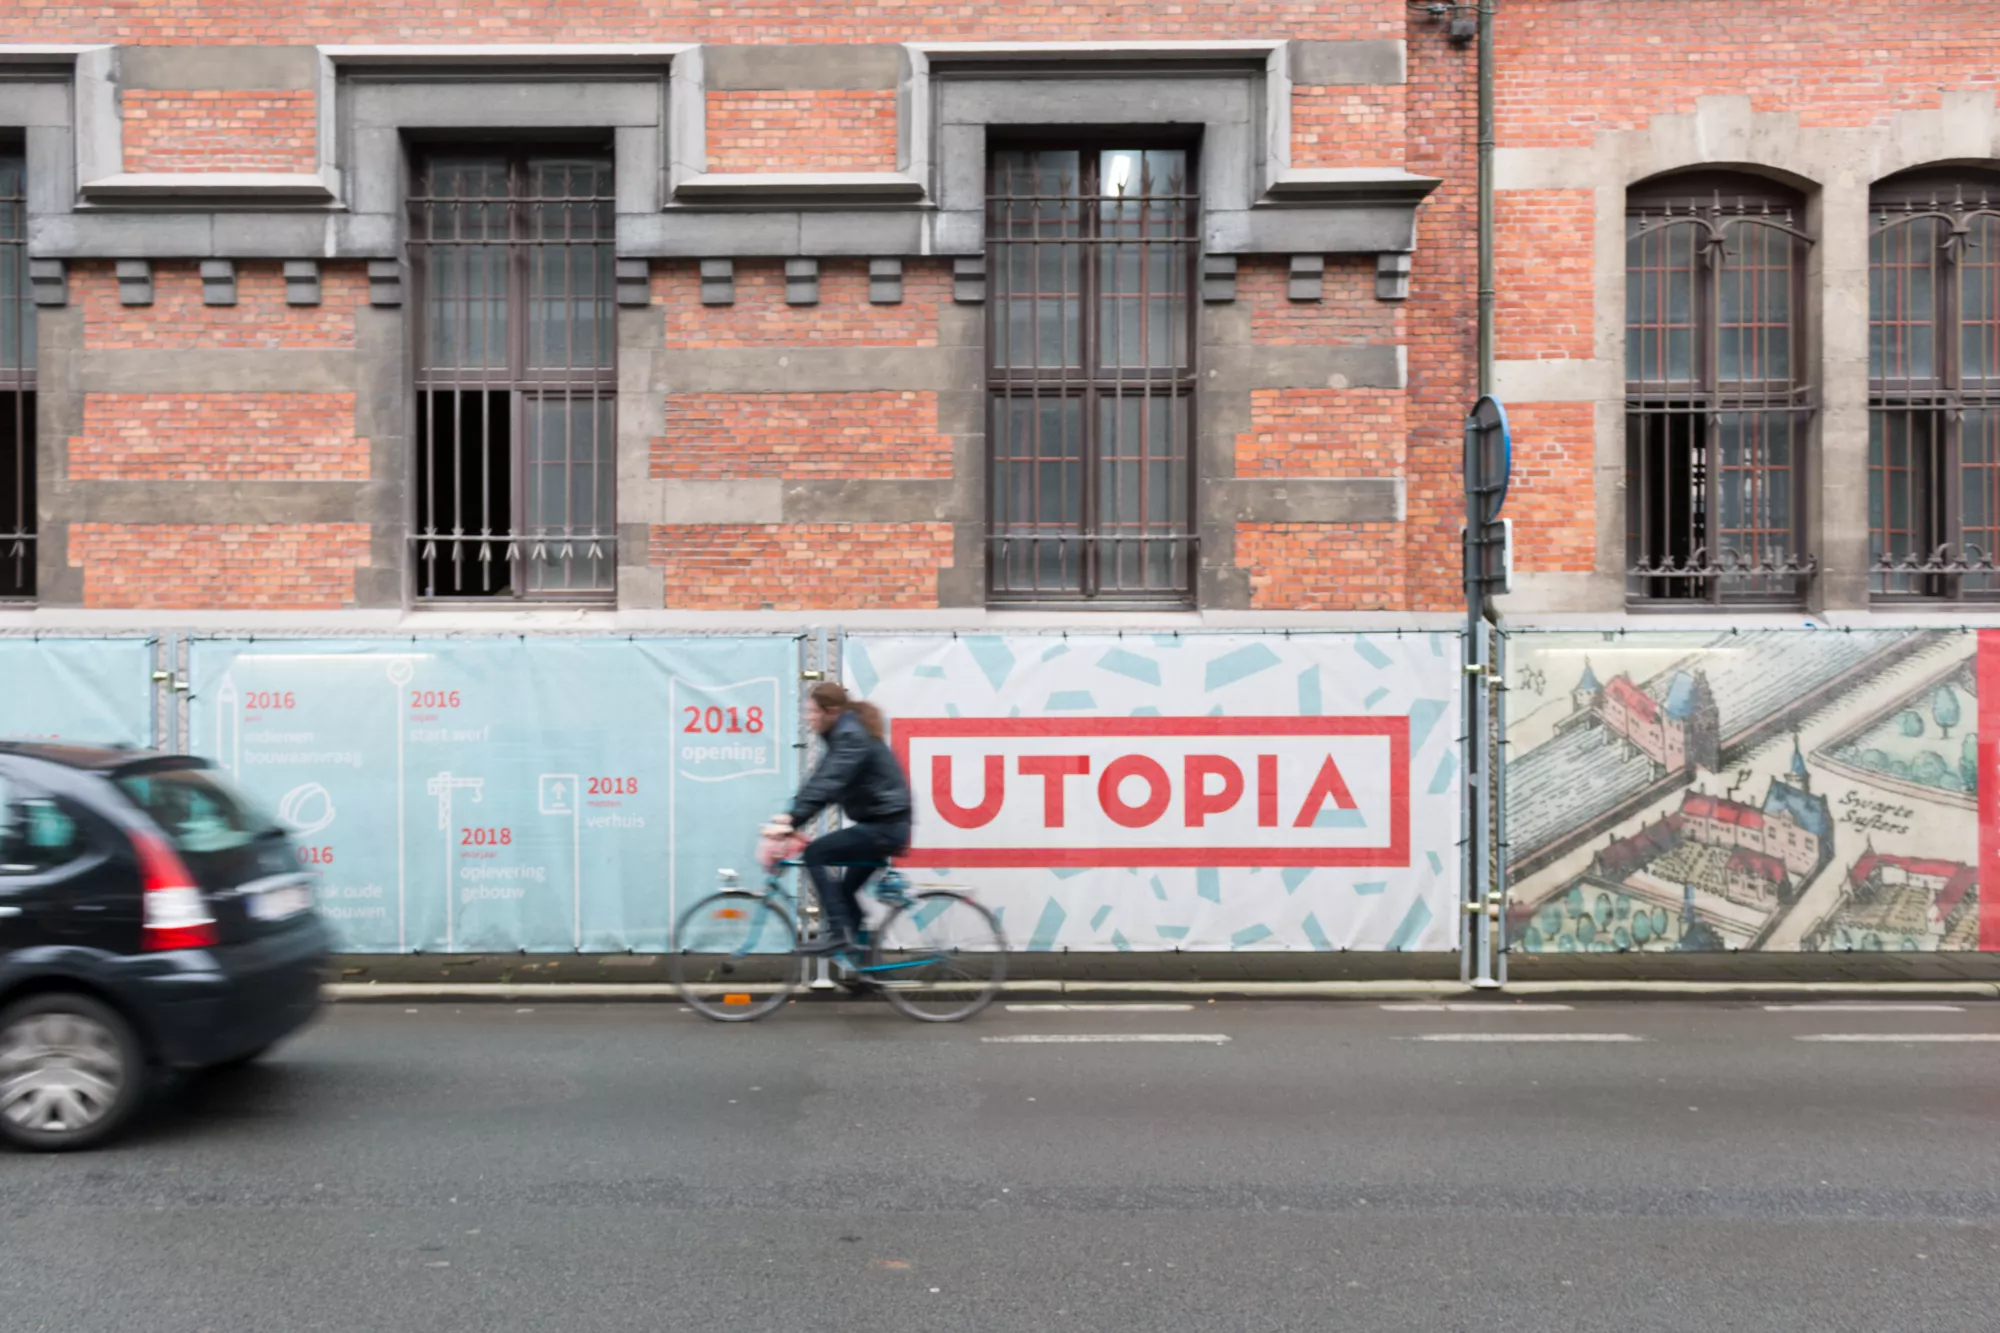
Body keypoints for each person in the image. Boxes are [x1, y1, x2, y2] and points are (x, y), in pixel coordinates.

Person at [763, 682, 912, 956]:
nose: (807, 718)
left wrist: (791, 820)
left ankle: (839, 933)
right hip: (885, 825)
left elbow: (829, 782)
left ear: (830, 711)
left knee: (816, 852)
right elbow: (820, 783)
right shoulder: (844, 734)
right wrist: (792, 818)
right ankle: (866, 970)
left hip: (885, 827)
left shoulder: (851, 736)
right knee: (843, 895)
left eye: (811, 711)